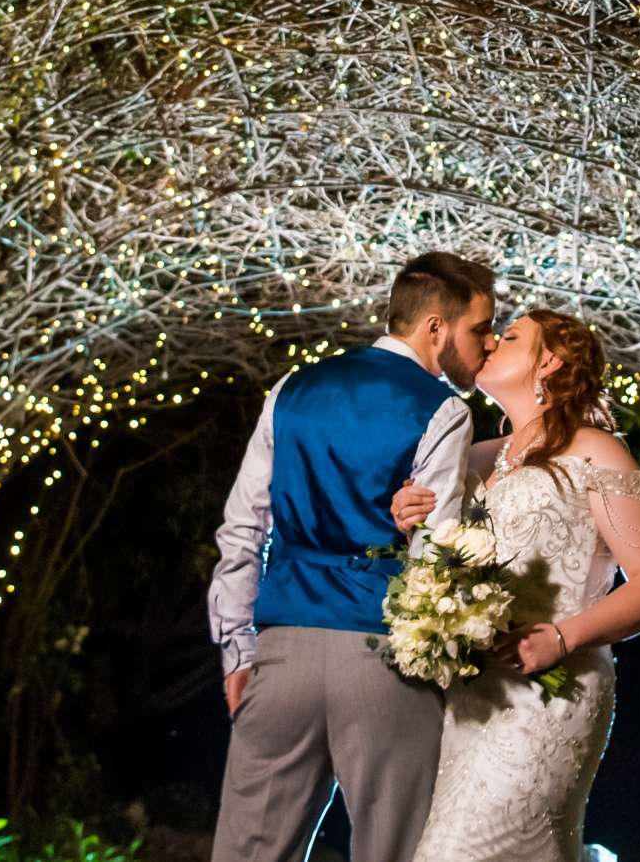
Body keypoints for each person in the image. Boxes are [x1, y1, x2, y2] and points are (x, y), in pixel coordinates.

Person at [207, 253, 498, 862]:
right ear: (435, 329)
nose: (486, 346)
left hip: (281, 652)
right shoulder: (443, 409)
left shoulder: (292, 389)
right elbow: (436, 553)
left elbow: (242, 529)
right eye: (478, 329)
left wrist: (237, 648)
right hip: (383, 657)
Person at [387, 309, 640, 862]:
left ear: (550, 361)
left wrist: (563, 637)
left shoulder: (595, 450)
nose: (494, 340)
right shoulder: (471, 461)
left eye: (514, 336)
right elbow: (439, 562)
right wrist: (411, 519)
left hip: (551, 691)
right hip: (470, 697)